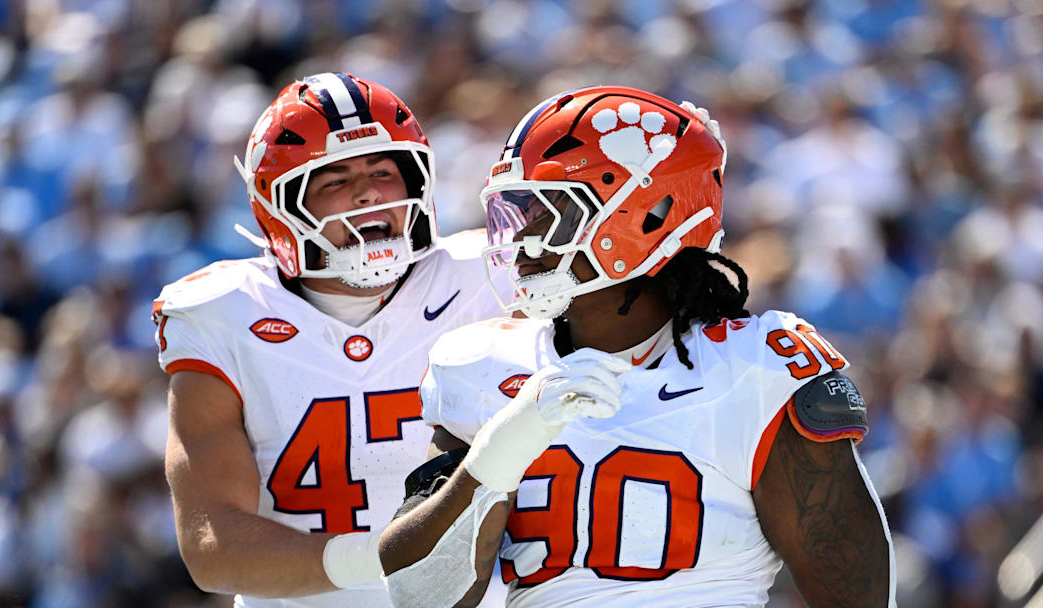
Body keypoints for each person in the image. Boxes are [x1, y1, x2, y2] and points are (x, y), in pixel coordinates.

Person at [379, 86, 895, 607]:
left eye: (550, 208)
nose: (524, 237)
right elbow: (420, 597)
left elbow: (859, 598)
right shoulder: (483, 365)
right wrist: (503, 450)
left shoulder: (756, 369)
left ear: (648, 215)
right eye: (519, 209)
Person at [153, 72, 512, 607]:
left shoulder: (492, 275)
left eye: (384, 171)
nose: (368, 191)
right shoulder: (223, 315)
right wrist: (391, 556)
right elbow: (215, 548)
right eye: (335, 179)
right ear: (283, 209)